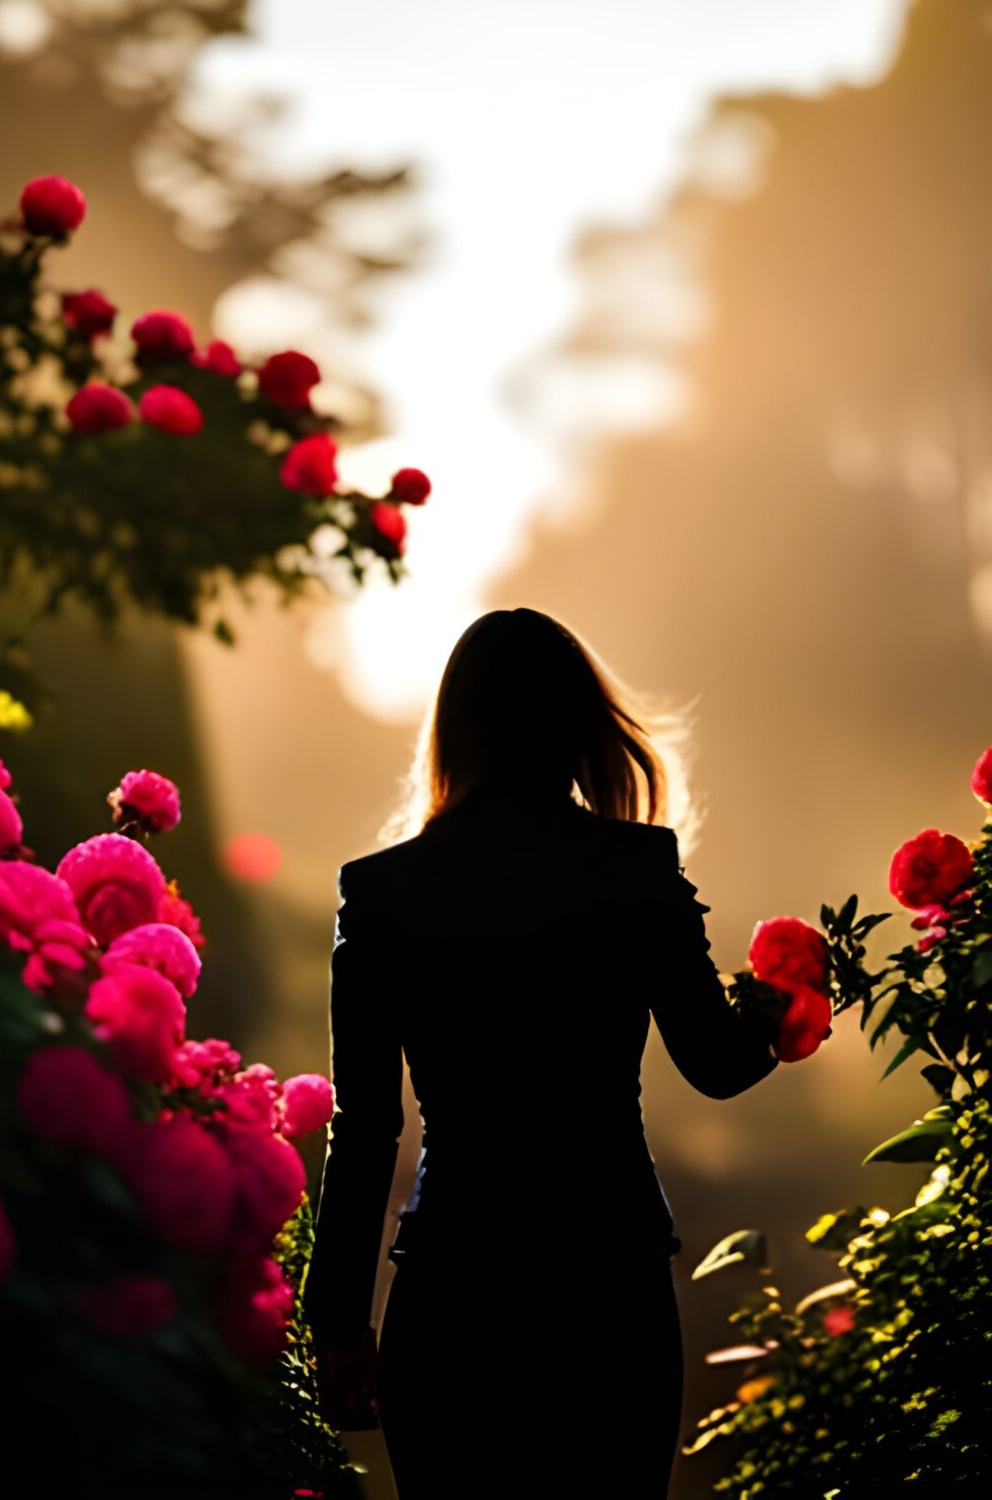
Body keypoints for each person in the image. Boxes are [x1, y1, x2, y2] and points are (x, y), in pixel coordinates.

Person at [299, 607, 792, 1498]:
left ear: (455, 726)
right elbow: (717, 1066)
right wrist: (787, 1002)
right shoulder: (635, 869)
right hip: (608, 1284)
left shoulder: (381, 894)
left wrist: (337, 1320)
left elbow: (366, 1128)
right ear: (577, 726)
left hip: (454, 1290)